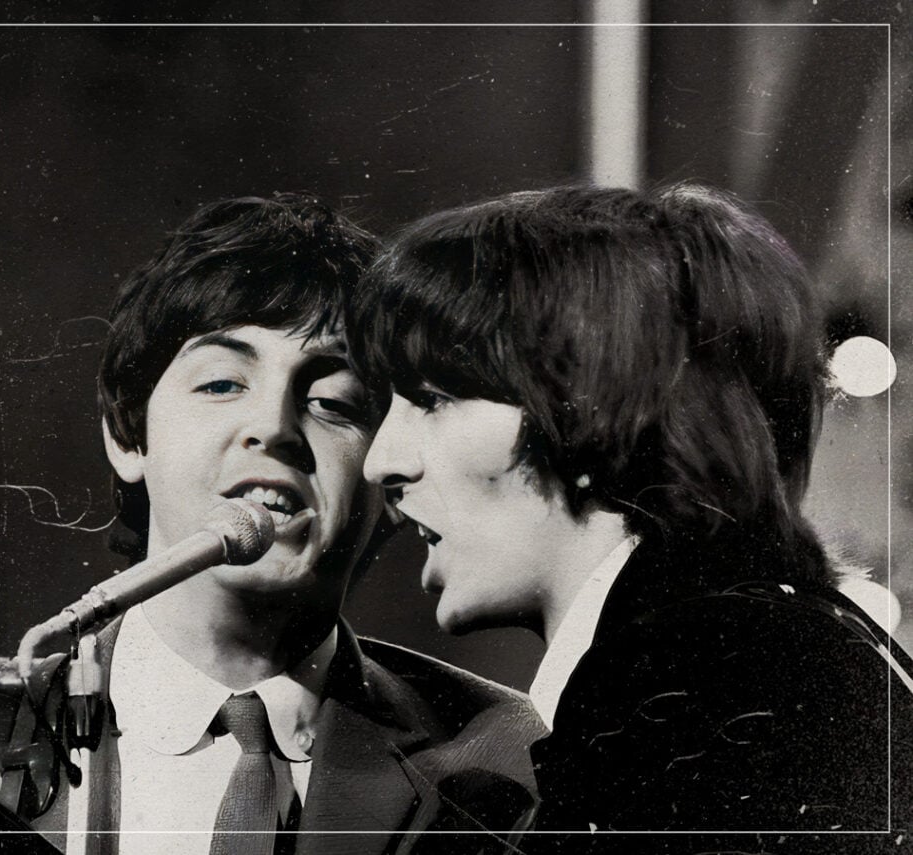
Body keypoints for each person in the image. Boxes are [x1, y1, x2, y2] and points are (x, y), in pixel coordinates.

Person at [0, 193, 543, 855]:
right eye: (221, 383)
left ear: (389, 465)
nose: (273, 427)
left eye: (334, 402)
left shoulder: (508, 759)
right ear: (128, 434)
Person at [351, 183, 913, 838]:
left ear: (588, 411)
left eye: (433, 398)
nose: (381, 461)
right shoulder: (765, 647)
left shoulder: (695, 684)